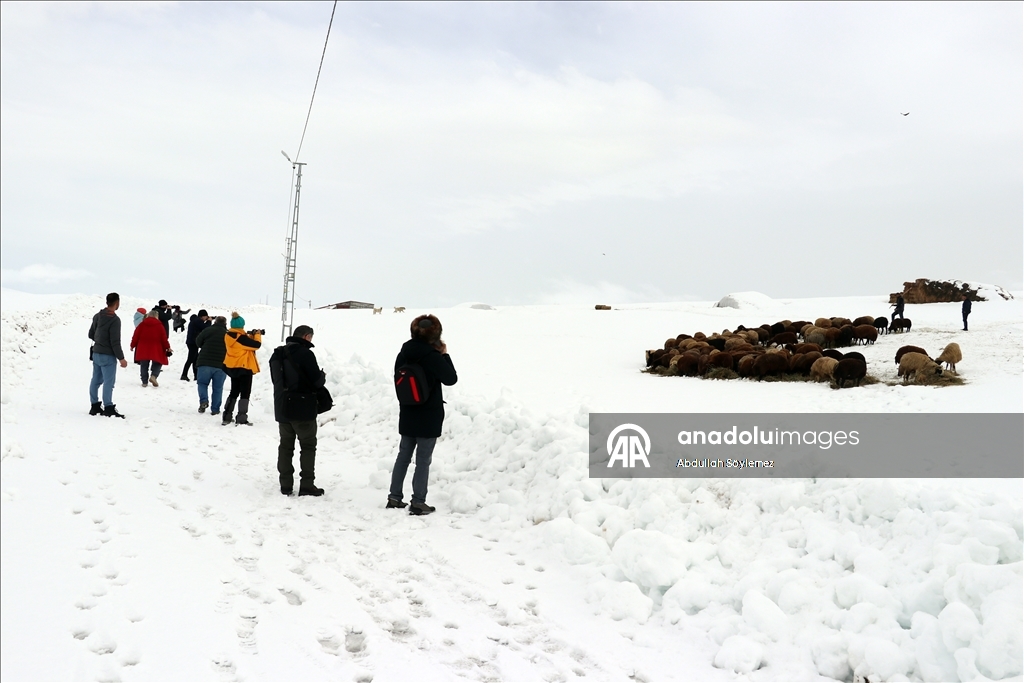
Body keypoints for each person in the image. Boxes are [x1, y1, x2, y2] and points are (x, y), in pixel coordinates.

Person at [387, 314, 457, 515]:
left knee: (403, 455)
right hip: (429, 414)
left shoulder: (403, 353)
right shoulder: (432, 356)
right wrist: (444, 355)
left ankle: (394, 497)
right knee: (423, 459)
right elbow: (451, 379)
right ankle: (418, 502)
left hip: (408, 411)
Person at [269, 325, 326, 496]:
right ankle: (307, 484)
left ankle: (285, 485)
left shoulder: (276, 354)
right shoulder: (305, 354)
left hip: (282, 408)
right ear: (307, 337)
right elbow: (316, 382)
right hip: (303, 408)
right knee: (308, 446)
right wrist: (322, 376)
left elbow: (276, 381)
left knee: (285, 446)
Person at [88, 292, 128, 418]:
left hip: (96, 353)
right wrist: (121, 358)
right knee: (108, 382)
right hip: (108, 355)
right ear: (117, 303)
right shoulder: (115, 320)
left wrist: (100, 341)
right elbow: (115, 342)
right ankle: (108, 407)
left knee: (95, 380)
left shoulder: (97, 316)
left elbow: (91, 334)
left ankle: (94, 406)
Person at [222, 312, 262, 425]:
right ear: (241, 326)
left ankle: (227, 415)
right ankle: (242, 417)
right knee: (245, 393)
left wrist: (249, 336)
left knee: (234, 391)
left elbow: (244, 344)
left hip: (233, 367)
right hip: (244, 368)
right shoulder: (241, 339)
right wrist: (257, 335)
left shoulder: (229, 336)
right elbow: (256, 345)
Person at [195, 315, 228, 415]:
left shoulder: (207, 330)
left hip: (204, 362)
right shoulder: (228, 334)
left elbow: (198, 342)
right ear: (225, 324)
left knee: (202, 383)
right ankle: (215, 409)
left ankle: (204, 401)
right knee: (218, 388)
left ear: (215, 322)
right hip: (221, 365)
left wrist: (204, 346)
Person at [130, 310, 172, 387]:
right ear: (156, 316)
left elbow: (136, 335)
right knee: (158, 362)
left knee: (144, 365)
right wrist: (167, 347)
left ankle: (144, 382)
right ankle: (154, 376)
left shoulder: (142, 324)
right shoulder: (159, 325)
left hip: (143, 347)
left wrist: (132, 345)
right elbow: (164, 338)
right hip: (156, 347)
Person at [181, 309, 211, 381]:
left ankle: (195, 375)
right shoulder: (197, 321)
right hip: (193, 342)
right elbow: (206, 328)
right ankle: (184, 374)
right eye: (205, 317)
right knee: (191, 359)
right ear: (202, 316)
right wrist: (209, 321)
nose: (206, 318)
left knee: (195, 359)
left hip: (192, 342)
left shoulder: (196, 321)